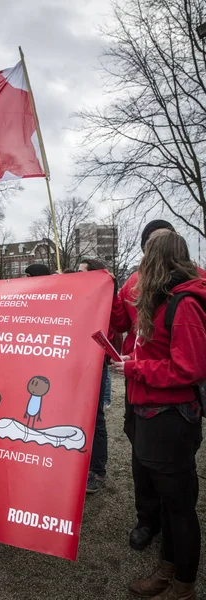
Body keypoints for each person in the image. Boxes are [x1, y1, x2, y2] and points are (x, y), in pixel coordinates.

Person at [112, 231, 204, 600]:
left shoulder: (185, 304)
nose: (141, 264)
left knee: (179, 507)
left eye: (147, 256)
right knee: (169, 503)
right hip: (152, 413)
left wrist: (136, 369)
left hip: (170, 418)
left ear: (157, 261)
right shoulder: (165, 301)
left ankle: (185, 586)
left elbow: (189, 369)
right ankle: (168, 570)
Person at [110, 219, 176, 549]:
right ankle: (146, 519)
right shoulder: (132, 285)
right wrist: (104, 295)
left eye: (166, 242)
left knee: (173, 465)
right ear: (144, 248)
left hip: (174, 393)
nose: (159, 249)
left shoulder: (192, 283)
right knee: (140, 457)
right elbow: (118, 324)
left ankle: (174, 519)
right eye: (152, 243)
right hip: (138, 388)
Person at [77, 258, 112, 493]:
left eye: (82, 273)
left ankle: (97, 471)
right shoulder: (79, 295)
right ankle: (79, 463)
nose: (77, 276)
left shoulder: (104, 298)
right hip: (77, 363)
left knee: (95, 418)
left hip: (96, 363)